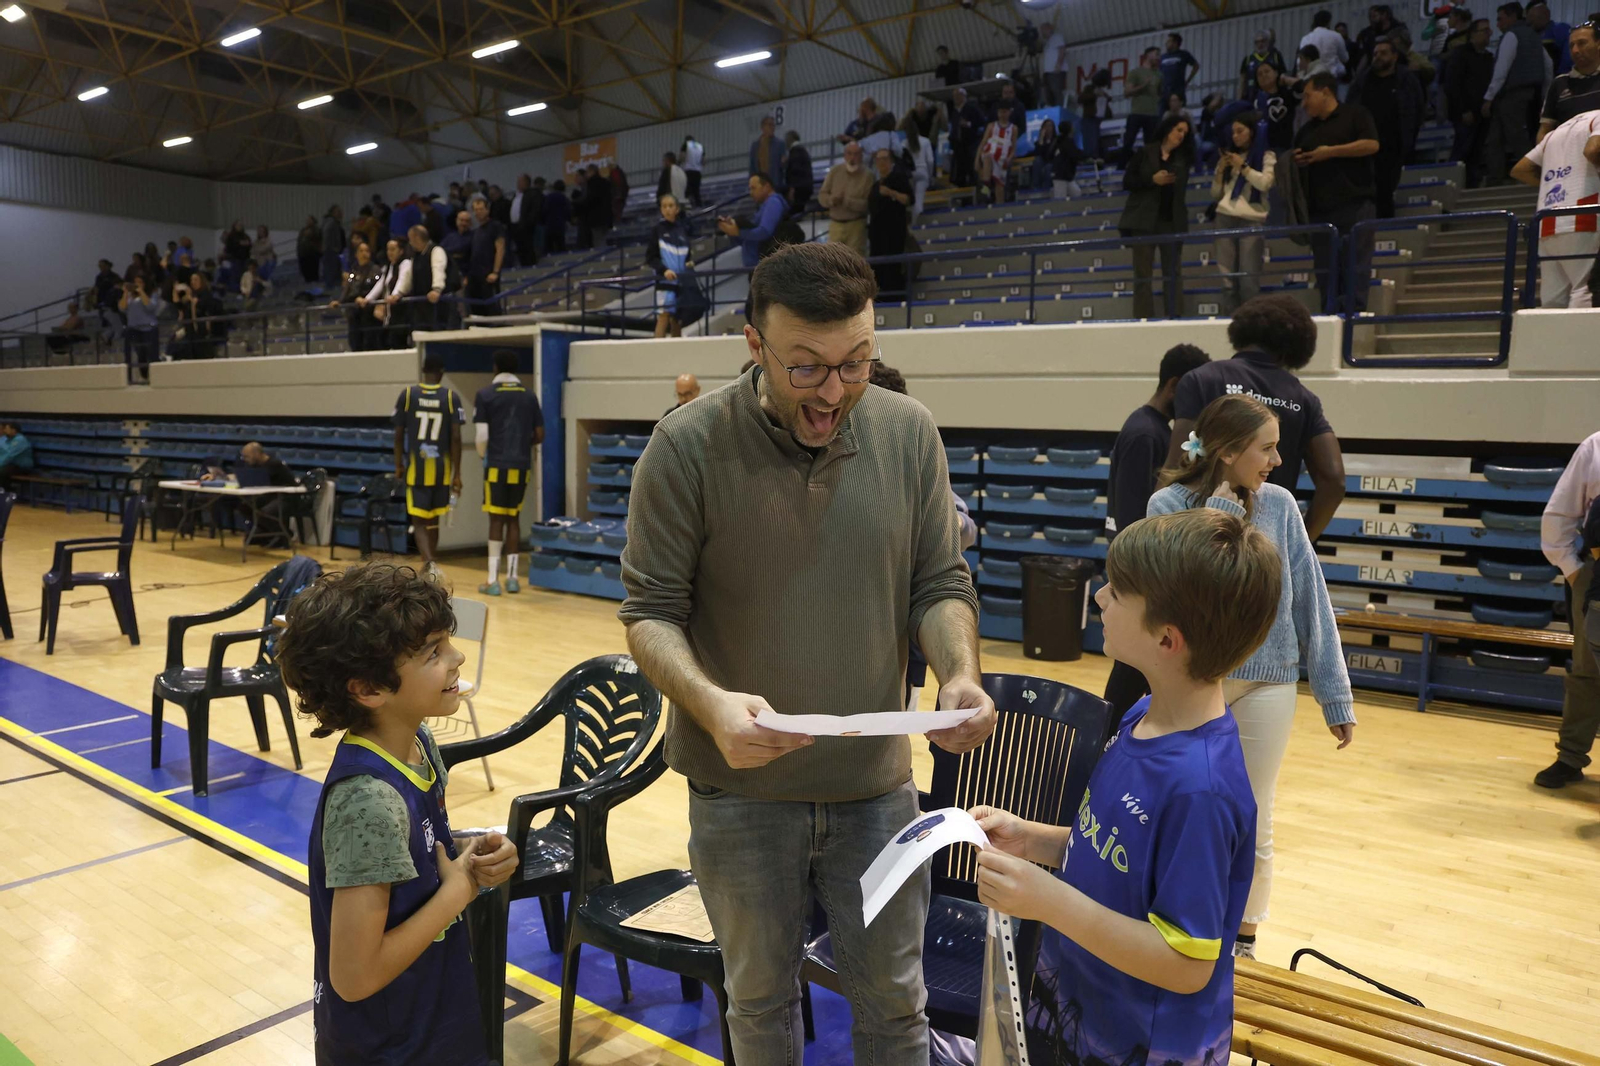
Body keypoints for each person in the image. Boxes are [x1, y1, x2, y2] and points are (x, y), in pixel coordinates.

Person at [618, 240, 995, 1066]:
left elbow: (938, 583)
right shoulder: (685, 447)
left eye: (856, 364)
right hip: (741, 792)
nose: (835, 393)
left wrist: (959, 673)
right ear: (754, 345)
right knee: (758, 1006)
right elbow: (649, 614)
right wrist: (711, 705)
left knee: (897, 1008)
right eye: (808, 369)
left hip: (874, 795)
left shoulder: (908, 434)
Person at [972, 507, 1275, 1064]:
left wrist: (1046, 900)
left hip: (1140, 1043)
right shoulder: (1141, 714)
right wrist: (1033, 839)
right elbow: (1121, 853)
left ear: (1166, 639)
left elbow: (1186, 964)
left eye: (1119, 591)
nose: (1099, 597)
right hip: (1077, 1008)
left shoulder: (1200, 790)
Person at [274, 564, 518, 1066]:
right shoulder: (369, 802)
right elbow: (355, 976)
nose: (457, 657)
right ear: (367, 689)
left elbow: (427, 860)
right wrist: (457, 892)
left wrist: (473, 860)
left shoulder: (418, 744)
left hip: (434, 1013)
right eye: (433, 651)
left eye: (447, 642)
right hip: (387, 1046)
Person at [1148, 394, 1355, 959]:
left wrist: (1335, 695)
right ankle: (1175, 919)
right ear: (1227, 450)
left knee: (1254, 808)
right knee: (1181, 801)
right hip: (1194, 677)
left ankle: (1243, 938)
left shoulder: (1283, 506)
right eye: (1266, 447)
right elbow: (1181, 592)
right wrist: (1221, 520)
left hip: (1269, 679)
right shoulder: (1166, 504)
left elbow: (1310, 599)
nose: (1277, 459)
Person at [1166, 294, 1347, 539]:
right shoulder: (1305, 399)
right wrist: (1301, 539)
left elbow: (1178, 465)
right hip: (1268, 545)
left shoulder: (1202, 379)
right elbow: (1334, 481)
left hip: (1201, 541)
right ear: (1297, 343)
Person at [1101, 344, 1214, 716]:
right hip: (1138, 575)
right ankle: (1101, 743)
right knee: (1128, 675)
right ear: (1176, 384)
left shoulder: (1155, 429)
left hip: (1144, 575)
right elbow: (1136, 516)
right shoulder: (1145, 433)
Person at [1534, 430, 1600, 788]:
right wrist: (1576, 572)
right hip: (1597, 575)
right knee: (1588, 672)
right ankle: (1571, 757)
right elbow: (1559, 515)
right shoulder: (1596, 446)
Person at [1294, 72, 1381, 312]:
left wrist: (1330, 152)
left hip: (1355, 205)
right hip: (1320, 211)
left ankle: (1355, 319)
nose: (1304, 102)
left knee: (1355, 266)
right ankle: (1330, 318)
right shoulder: (1306, 130)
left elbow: (1371, 145)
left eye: (1308, 96)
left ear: (1325, 92)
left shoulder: (1356, 115)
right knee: (1325, 272)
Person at [471, 349, 544, 596]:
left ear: (495, 367)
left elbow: (482, 436)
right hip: (521, 465)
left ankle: (492, 580)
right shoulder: (529, 395)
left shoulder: (485, 395)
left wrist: (484, 455)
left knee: (496, 519)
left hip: (496, 465)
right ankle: (512, 579)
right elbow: (540, 434)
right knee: (513, 518)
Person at [1512, 110, 1600, 307]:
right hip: (1583, 215)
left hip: (1547, 218)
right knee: (1584, 289)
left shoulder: (1558, 130)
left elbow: (1520, 169)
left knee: (1553, 298)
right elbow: (1593, 149)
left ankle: (1551, 339)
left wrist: (1558, 184)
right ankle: (1581, 339)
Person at [392, 354, 463, 577]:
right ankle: (431, 563)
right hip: (442, 470)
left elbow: (398, 434)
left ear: (423, 372)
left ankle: (429, 562)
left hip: (417, 468)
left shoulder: (408, 395)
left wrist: (398, 466)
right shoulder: (451, 397)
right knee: (433, 520)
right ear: (441, 372)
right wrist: (457, 473)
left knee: (419, 520)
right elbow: (456, 437)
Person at [1120, 112, 1193, 320]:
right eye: (1179, 130)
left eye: (1185, 133)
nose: (1181, 135)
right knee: (1142, 274)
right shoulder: (1145, 152)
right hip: (1144, 220)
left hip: (1172, 220)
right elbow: (1128, 182)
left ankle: (1174, 315)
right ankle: (1143, 318)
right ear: (1168, 129)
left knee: (1173, 273)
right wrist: (1152, 180)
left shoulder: (1183, 158)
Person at [1352, 37, 1425, 218]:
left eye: (1383, 53)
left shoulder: (1406, 79)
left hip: (1393, 145)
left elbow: (1418, 109)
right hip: (1366, 145)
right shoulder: (1363, 81)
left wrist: (1408, 138)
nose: (1378, 57)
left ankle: (1385, 225)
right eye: (1375, 53)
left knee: (1385, 188)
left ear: (1394, 56)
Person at [1482, 1, 1554, 184]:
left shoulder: (1511, 36)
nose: (1498, 23)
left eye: (1501, 18)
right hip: (1530, 94)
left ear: (1513, 16)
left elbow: (1501, 70)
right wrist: (1546, 95)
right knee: (1497, 136)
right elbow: (1548, 66)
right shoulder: (1533, 36)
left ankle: (1531, 174)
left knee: (1514, 135)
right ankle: (1496, 175)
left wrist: (1488, 98)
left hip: (1511, 94)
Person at [1212, 111, 1276, 311]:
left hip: (1251, 219)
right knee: (1227, 281)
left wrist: (1245, 168)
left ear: (1253, 131)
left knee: (1248, 281)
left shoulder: (1267, 155)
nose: (1235, 136)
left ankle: (1248, 324)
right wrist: (1221, 171)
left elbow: (1265, 183)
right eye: (1233, 132)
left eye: (1240, 131)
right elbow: (1215, 194)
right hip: (1224, 217)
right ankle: (1230, 323)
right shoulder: (1229, 157)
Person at [1448, 19, 1498, 186]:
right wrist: (1463, 110)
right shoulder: (1460, 54)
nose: (1488, 33)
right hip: (1466, 112)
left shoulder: (1488, 57)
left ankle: (1471, 184)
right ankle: (1453, 183)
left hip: (1482, 113)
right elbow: (1453, 84)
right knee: (1463, 149)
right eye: (1484, 30)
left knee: (1476, 152)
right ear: (1473, 34)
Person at [1539, 19, 1600, 139]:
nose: (1575, 50)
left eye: (1582, 43)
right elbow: (1545, 129)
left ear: (1598, 44)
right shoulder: (1559, 83)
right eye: (1571, 45)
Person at [647, 192, 696, 338]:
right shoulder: (657, 230)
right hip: (665, 281)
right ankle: (655, 351)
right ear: (661, 209)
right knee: (664, 316)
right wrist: (664, 270)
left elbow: (686, 254)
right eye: (664, 206)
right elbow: (651, 257)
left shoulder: (682, 230)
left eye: (670, 206)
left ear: (677, 209)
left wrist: (689, 263)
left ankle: (677, 353)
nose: (667, 209)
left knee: (677, 320)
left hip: (681, 281)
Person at [867, 147, 913, 298]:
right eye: (878, 159)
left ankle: (895, 296)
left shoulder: (899, 178)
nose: (881, 162)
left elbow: (908, 199)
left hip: (894, 230)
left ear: (891, 161)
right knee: (877, 267)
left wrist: (891, 193)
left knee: (893, 265)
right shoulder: (875, 185)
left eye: (884, 158)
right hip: (876, 232)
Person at [717, 173, 788, 271]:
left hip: (764, 266)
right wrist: (732, 230)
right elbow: (748, 238)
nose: (751, 192)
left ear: (766, 186)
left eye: (753, 188)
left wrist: (738, 232)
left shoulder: (773, 202)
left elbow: (764, 231)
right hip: (757, 265)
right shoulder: (763, 206)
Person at [818, 141, 873, 253]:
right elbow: (822, 196)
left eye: (856, 154)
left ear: (861, 156)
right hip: (835, 225)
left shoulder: (868, 176)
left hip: (856, 226)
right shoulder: (834, 172)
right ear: (844, 155)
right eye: (849, 153)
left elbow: (868, 204)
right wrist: (832, 200)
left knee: (855, 263)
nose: (852, 157)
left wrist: (847, 202)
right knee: (833, 262)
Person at [330, 240, 383, 350]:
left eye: (367, 251)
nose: (364, 253)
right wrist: (340, 301)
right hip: (354, 313)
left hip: (368, 313)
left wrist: (363, 297)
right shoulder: (353, 271)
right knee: (354, 341)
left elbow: (377, 289)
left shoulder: (376, 270)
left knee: (369, 342)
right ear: (356, 254)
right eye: (361, 251)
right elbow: (348, 288)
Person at [406, 224, 455, 334]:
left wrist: (436, 289)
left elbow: (438, 269)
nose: (410, 242)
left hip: (437, 304)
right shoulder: (416, 256)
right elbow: (408, 277)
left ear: (417, 238)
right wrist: (399, 293)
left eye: (411, 239)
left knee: (437, 331)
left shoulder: (436, 251)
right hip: (421, 304)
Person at [466, 195, 507, 317]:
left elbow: (500, 249)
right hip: (475, 275)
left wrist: (495, 271)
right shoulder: (476, 231)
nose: (478, 212)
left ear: (487, 210)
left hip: (488, 274)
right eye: (475, 210)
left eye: (480, 209)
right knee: (476, 309)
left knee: (492, 308)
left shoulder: (495, 226)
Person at [119, 275, 161, 382]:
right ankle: (144, 375)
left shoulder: (152, 294)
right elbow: (122, 308)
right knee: (140, 354)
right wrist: (125, 293)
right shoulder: (130, 297)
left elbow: (150, 306)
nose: (137, 285)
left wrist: (141, 292)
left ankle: (156, 377)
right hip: (134, 329)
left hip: (149, 328)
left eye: (140, 282)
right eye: (135, 282)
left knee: (151, 354)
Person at [1124, 48, 1164, 157]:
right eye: (1156, 54)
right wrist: (1143, 86)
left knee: (1151, 144)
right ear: (1148, 55)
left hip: (1153, 114)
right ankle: (1121, 166)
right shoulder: (1135, 72)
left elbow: (1160, 92)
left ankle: (1149, 167)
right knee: (1128, 141)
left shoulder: (1159, 74)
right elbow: (1127, 92)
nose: (1158, 57)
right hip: (1137, 112)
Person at [976, 102, 1018, 204]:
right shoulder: (991, 126)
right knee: (988, 157)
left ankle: (1000, 208)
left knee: (1000, 187)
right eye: (1000, 112)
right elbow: (983, 143)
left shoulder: (1013, 128)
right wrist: (976, 160)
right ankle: (986, 187)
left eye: (1005, 112)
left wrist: (1009, 158)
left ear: (1009, 113)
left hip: (1002, 159)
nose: (1002, 114)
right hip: (990, 153)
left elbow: (1013, 148)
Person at [948, 87, 987, 187]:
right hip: (958, 146)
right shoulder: (954, 112)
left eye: (957, 96)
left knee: (972, 169)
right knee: (959, 171)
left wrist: (969, 124)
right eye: (954, 96)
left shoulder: (972, 108)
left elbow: (982, 122)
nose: (955, 98)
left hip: (970, 144)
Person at [899, 116, 935, 219]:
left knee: (911, 201)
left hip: (910, 174)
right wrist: (930, 175)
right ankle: (917, 221)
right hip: (922, 171)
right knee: (919, 200)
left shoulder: (903, 144)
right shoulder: (925, 141)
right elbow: (930, 161)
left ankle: (913, 222)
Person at [1301, 9, 1351, 78]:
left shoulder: (1306, 38)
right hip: (1331, 78)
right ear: (1328, 22)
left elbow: (1301, 62)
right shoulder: (1336, 36)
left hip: (1312, 78)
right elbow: (1345, 58)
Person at [1240, 29, 1288, 98]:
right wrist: (1239, 98)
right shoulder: (1248, 59)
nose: (1260, 44)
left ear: (1267, 42)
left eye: (1262, 41)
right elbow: (1242, 81)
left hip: (1273, 97)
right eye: (1257, 42)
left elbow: (1283, 75)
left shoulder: (1275, 56)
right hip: (1252, 98)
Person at [1529, 0, 1573, 73]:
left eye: (1533, 20)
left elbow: (1568, 57)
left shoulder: (1560, 29)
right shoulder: (1533, 33)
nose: (1531, 25)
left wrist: (1561, 75)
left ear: (1545, 15)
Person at [1079, 68, 1114, 159]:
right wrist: (1094, 95)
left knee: (1101, 143)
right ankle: (1091, 159)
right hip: (1090, 119)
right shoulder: (1089, 89)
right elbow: (1081, 99)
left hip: (1102, 120)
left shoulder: (1103, 92)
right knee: (1091, 142)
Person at [1160, 32, 1202, 104]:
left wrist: (1187, 81)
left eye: (1169, 41)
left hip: (1178, 90)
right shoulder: (1163, 57)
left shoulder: (1183, 54)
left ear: (1175, 43)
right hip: (1164, 91)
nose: (1166, 43)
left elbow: (1196, 66)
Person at [749, 114, 784, 194]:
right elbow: (752, 167)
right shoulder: (755, 146)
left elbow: (784, 169)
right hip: (760, 187)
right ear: (762, 127)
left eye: (773, 125)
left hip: (775, 187)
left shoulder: (780, 144)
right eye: (769, 125)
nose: (772, 127)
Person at [1052, 120, 1087, 197]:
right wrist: (1086, 158)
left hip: (1067, 175)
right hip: (1061, 175)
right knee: (1060, 199)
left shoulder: (1059, 141)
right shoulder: (1066, 142)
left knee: (1076, 193)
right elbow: (1074, 155)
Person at [783, 130, 813, 214]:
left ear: (789, 139)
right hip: (805, 187)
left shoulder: (795, 153)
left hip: (799, 190)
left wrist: (792, 188)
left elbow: (795, 172)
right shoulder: (802, 151)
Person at [442, 209, 473, 286]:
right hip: (448, 275)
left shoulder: (474, 237)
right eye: (461, 220)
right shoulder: (450, 237)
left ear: (470, 223)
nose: (463, 223)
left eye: (466, 221)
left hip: (465, 276)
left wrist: (468, 277)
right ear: (457, 221)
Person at [1042, 21, 1069, 107]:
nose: (1042, 32)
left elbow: (1062, 50)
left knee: (1056, 90)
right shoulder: (1047, 42)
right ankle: (1051, 108)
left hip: (1056, 70)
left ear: (1049, 29)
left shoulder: (1057, 37)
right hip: (1049, 71)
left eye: (1043, 30)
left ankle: (1059, 107)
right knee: (1049, 92)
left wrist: (1058, 64)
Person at [0, 421, 34, 491]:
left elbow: (9, 455)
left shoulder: (20, 440)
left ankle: (7, 491)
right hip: (11, 465)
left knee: (2, 471)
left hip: (22, 467)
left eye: (7, 428)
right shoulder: (7, 440)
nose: (5, 430)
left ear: (13, 430)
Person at [320, 205, 346, 290]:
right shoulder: (331, 222)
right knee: (331, 272)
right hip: (331, 251)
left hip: (332, 251)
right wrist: (333, 248)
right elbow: (327, 236)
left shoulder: (333, 222)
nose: (340, 213)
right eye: (338, 211)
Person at [542, 179, 571, 254]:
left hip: (549, 225)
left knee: (549, 247)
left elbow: (545, 210)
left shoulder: (548, 197)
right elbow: (568, 211)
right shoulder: (564, 198)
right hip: (560, 225)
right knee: (561, 246)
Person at [1030, 117, 1059, 192]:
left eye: (1050, 126)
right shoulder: (1040, 142)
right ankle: (1035, 187)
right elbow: (1037, 153)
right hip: (1042, 162)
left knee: (1048, 167)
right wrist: (1041, 139)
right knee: (1037, 161)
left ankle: (1046, 189)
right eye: (1046, 126)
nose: (1048, 128)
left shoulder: (1057, 141)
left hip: (1052, 163)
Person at [681, 134, 705, 206]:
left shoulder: (686, 146)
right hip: (697, 172)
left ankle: (685, 207)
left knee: (687, 191)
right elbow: (703, 161)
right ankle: (699, 205)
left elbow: (682, 156)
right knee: (696, 191)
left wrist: (678, 163)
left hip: (689, 171)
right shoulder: (700, 146)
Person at [297, 215, 321, 283]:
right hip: (303, 254)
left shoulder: (316, 230)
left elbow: (318, 239)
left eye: (309, 220)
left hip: (312, 254)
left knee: (313, 271)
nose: (308, 221)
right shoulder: (303, 230)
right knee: (305, 270)